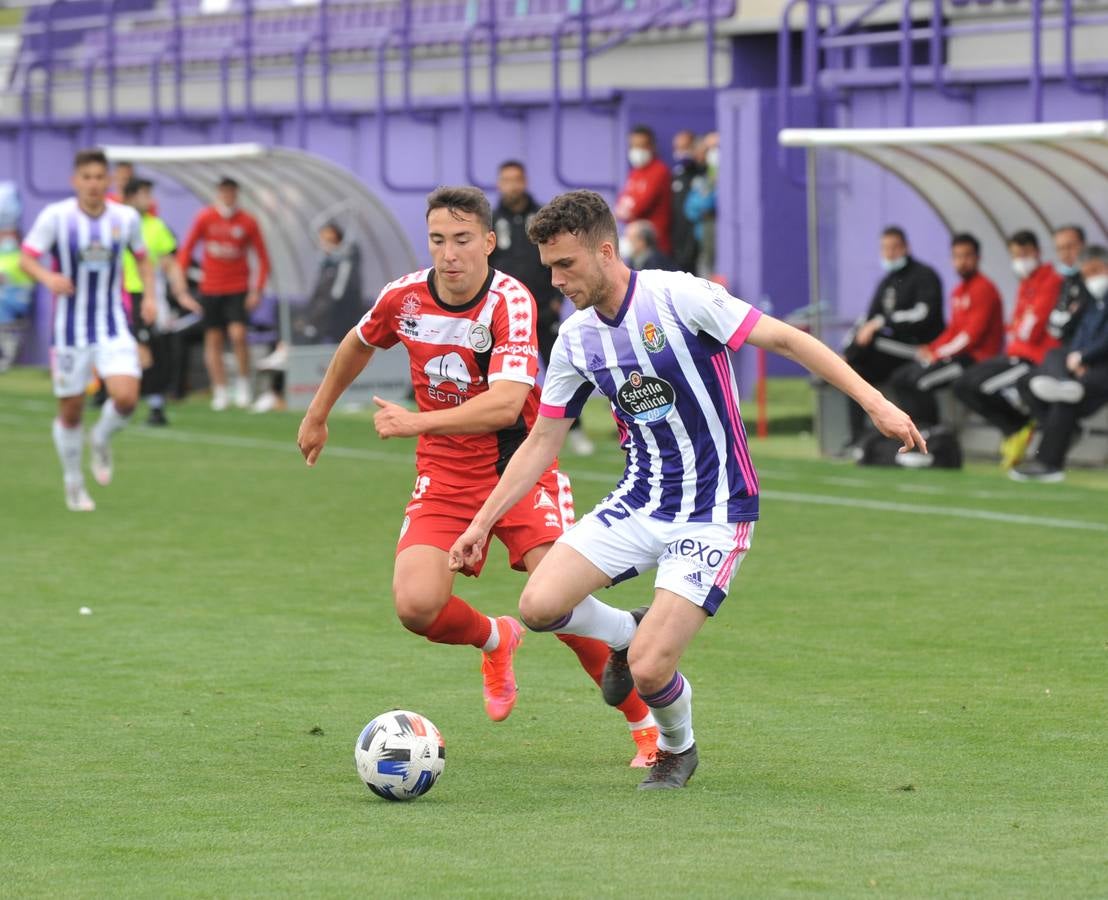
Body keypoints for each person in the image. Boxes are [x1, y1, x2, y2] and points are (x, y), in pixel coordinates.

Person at [448, 190, 923, 790]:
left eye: (566, 264)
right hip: (640, 500)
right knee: (539, 606)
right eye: (549, 267)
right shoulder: (575, 339)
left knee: (650, 672)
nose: (556, 279)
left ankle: (678, 748)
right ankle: (627, 631)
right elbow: (542, 441)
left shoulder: (680, 296)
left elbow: (786, 340)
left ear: (605, 250)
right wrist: (480, 524)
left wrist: (877, 403)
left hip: (716, 510)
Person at [297, 186, 659, 767]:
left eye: (463, 240)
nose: (450, 254)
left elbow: (505, 403)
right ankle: (497, 638)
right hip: (443, 480)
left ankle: (647, 727)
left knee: (560, 601)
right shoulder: (406, 298)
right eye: (439, 240)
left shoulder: (509, 301)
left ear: (488, 242)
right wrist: (317, 414)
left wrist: (418, 421)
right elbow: (358, 342)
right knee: (416, 606)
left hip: (517, 472)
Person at [19, 148, 157, 511]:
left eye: (100, 177)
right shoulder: (56, 217)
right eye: (87, 177)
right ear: (75, 181)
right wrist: (48, 276)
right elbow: (26, 257)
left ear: (109, 181)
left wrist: (150, 298)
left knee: (126, 397)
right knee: (71, 412)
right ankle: (74, 483)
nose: (94, 184)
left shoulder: (125, 218)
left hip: (112, 325)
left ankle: (100, 439)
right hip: (69, 331)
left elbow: (144, 260)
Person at [489, 160, 594, 455]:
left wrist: (556, 299)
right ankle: (505, 434)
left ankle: (576, 432)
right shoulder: (491, 221)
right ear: (500, 184)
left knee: (562, 370)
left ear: (525, 181)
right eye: (506, 180)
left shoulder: (542, 218)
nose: (512, 185)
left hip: (543, 309)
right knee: (500, 375)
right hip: (507, 314)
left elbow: (559, 256)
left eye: (517, 179)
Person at [952, 229, 1062, 469]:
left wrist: (1019, 326)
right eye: (1015, 255)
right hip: (1014, 354)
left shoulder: (1051, 280)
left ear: (1037, 252)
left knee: (979, 386)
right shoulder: (1026, 283)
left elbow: (1029, 330)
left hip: (1033, 358)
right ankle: (1016, 427)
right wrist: (1019, 326)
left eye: (1024, 253)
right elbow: (1016, 325)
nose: (1020, 260)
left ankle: (1019, 428)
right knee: (962, 385)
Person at [1009, 245, 1108, 482]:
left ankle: (1048, 465)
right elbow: (1079, 337)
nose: (1092, 278)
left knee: (1065, 402)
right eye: (1087, 273)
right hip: (1084, 367)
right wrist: (1076, 357)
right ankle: (1062, 384)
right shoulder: (1094, 302)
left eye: (1097, 270)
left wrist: (1083, 358)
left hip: (1101, 368)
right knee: (1031, 378)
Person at [888, 232, 1004, 428]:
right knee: (900, 378)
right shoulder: (958, 291)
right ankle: (911, 433)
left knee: (920, 382)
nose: (962, 261)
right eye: (957, 256)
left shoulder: (984, 288)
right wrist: (932, 348)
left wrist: (937, 353)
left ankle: (929, 437)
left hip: (974, 359)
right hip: (956, 355)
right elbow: (953, 331)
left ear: (977, 258)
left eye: (967, 256)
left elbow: (970, 337)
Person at [843, 226, 944, 445]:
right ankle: (859, 440)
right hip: (889, 351)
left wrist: (882, 322)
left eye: (894, 247)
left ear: (905, 247)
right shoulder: (887, 281)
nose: (889, 253)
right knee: (854, 372)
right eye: (885, 248)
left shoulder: (924, 275)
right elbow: (869, 318)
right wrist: (850, 349)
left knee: (875, 345)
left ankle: (924, 436)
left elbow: (923, 314)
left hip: (918, 349)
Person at [177, 176, 270, 410]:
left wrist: (256, 290)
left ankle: (243, 384)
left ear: (236, 194)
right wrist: (181, 286)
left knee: (238, 335)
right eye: (223, 192)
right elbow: (186, 250)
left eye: (231, 192)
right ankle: (219, 389)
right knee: (213, 339)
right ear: (218, 193)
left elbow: (263, 258)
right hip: (211, 288)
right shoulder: (205, 218)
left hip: (237, 288)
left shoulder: (248, 221)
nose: (227, 196)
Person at [251, 222, 364, 414]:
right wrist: (305, 320)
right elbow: (317, 300)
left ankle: (281, 375)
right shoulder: (326, 266)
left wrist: (312, 323)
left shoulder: (345, 265)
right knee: (287, 331)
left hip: (338, 324)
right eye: (323, 240)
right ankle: (275, 391)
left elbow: (335, 299)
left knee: (300, 341)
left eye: (330, 240)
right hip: (321, 322)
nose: (325, 245)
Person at [121, 178, 200, 425]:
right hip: (121, 297)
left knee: (152, 351)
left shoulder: (156, 227)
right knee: (133, 353)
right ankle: (121, 399)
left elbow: (170, 263)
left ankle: (153, 406)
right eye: (145, 194)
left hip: (147, 297)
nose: (150, 200)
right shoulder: (117, 223)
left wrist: (181, 293)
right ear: (132, 197)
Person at [614, 125, 673, 257]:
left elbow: (639, 207)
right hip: (636, 243)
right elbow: (621, 205)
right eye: (634, 146)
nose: (637, 150)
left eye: (642, 146)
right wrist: (624, 210)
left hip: (655, 244)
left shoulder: (659, 170)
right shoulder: (635, 172)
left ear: (652, 147)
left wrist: (626, 210)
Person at [1047, 224, 1090, 344]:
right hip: (1067, 346)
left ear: (1084, 245)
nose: (1065, 253)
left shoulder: (1094, 279)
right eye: (1060, 249)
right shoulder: (1065, 280)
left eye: (1070, 246)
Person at [683, 131, 719, 277]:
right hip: (702, 237)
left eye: (715, 148)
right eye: (708, 149)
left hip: (717, 239)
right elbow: (690, 208)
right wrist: (705, 207)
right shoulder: (704, 177)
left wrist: (707, 205)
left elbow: (711, 202)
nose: (712, 153)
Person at [669, 130, 701, 273]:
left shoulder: (701, 173)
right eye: (678, 148)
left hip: (697, 240)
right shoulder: (676, 174)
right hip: (678, 239)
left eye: (685, 147)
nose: (682, 152)